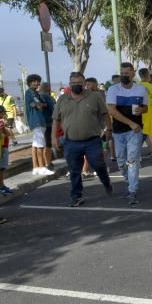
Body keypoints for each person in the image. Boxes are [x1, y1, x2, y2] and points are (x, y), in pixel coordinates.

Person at [52, 72, 114, 207]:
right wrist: (54, 138)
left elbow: (105, 114)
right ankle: (76, 196)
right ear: (69, 84)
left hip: (92, 140)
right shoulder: (62, 99)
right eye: (73, 83)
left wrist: (109, 130)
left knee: (98, 164)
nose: (76, 85)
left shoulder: (94, 97)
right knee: (74, 170)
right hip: (70, 142)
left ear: (84, 83)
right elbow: (56, 120)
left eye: (79, 83)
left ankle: (106, 182)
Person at [106, 63, 148, 205]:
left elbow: (146, 107)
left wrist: (142, 110)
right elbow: (112, 111)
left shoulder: (141, 89)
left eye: (127, 73)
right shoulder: (113, 89)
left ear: (133, 73)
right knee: (121, 162)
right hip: (119, 132)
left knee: (132, 161)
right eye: (122, 73)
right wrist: (130, 122)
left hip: (135, 131)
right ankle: (129, 181)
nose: (124, 76)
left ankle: (132, 191)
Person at [24, 74, 54, 176]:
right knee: (41, 144)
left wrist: (40, 105)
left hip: (40, 120)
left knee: (35, 145)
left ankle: (35, 167)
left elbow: (42, 104)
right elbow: (35, 104)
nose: (37, 83)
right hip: (37, 121)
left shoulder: (36, 93)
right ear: (30, 82)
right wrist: (39, 105)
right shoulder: (29, 93)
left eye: (38, 81)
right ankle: (41, 167)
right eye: (35, 81)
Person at [138, 68, 152, 163]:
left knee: (141, 136)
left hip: (140, 114)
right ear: (147, 75)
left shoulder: (137, 86)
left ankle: (136, 156)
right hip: (151, 114)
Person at [39, 82, 56, 169]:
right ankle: (47, 163)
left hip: (49, 122)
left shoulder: (48, 96)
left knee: (47, 143)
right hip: (47, 122)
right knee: (47, 144)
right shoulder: (43, 96)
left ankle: (48, 162)